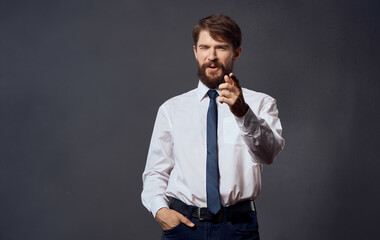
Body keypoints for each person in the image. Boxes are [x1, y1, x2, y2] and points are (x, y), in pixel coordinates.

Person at [141, 14, 285, 240]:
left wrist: (242, 112)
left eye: (221, 48)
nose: (212, 56)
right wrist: (160, 210)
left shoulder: (260, 103)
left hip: (238, 227)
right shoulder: (172, 109)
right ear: (195, 52)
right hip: (183, 227)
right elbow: (156, 172)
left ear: (236, 53)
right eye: (205, 47)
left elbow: (268, 154)